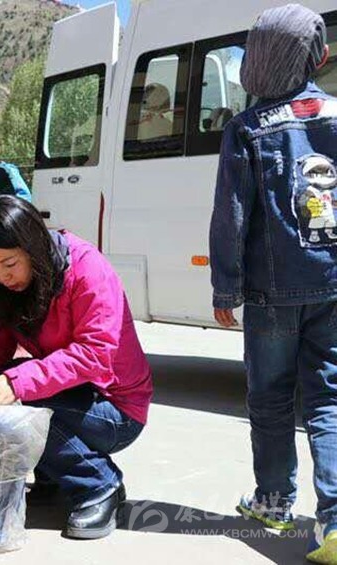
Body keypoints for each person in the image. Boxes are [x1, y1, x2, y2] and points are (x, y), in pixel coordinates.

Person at [0, 195, 152, 540]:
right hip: (73, 394)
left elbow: (94, 353)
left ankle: (99, 484)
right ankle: (54, 473)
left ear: (32, 247)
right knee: (0, 389)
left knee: (20, 398)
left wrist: (16, 382)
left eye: (10, 263)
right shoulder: (3, 286)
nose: (2, 275)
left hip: (117, 407)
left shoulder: (87, 269)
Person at [209, 5, 337, 561]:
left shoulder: (246, 128)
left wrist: (226, 288)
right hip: (333, 285)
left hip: (271, 292)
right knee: (329, 401)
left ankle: (274, 502)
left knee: (271, 400)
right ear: (319, 57)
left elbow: (231, 216)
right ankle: (335, 522)